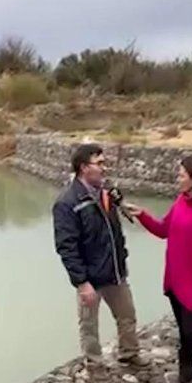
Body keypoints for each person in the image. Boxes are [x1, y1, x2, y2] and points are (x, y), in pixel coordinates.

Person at [123, 155, 192, 383]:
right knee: (182, 330)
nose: (177, 178)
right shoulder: (181, 201)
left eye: (181, 174)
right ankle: (187, 372)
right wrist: (142, 215)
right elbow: (163, 230)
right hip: (174, 279)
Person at [52, 143, 145, 370]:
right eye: (100, 163)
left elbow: (114, 209)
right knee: (89, 325)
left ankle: (129, 355)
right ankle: (94, 365)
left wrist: (122, 204)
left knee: (127, 317)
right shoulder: (67, 203)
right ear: (84, 167)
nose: (104, 168)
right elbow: (66, 247)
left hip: (114, 270)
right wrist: (82, 283)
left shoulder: (106, 191)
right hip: (90, 277)